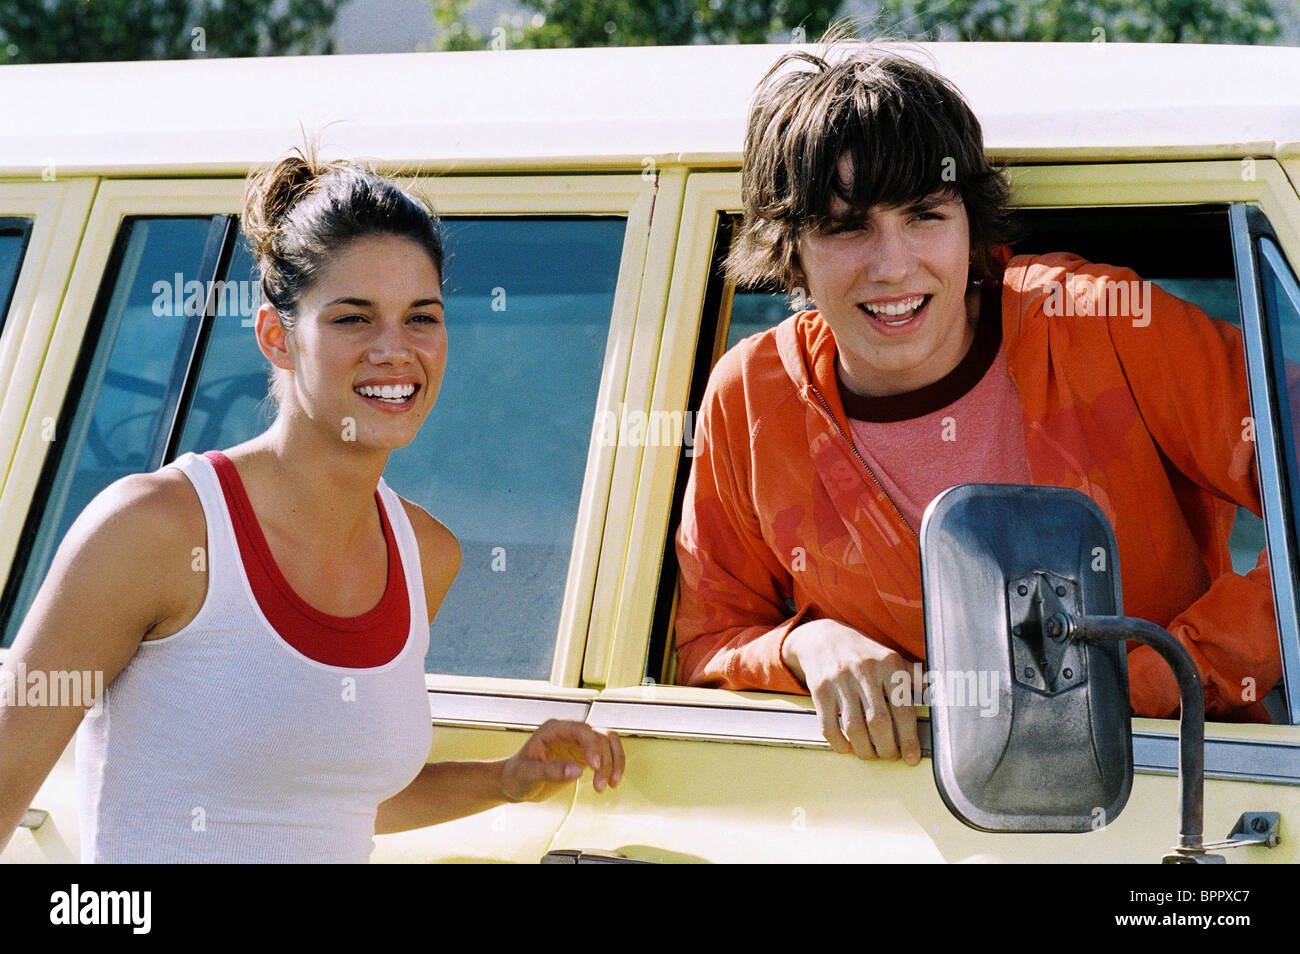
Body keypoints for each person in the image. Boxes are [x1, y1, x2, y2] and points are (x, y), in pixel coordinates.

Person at [0, 148, 623, 862]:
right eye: (354, 319)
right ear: (277, 337)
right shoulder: (153, 530)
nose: (396, 350)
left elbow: (322, 795)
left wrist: (504, 781)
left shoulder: (425, 555)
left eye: (421, 317)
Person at [673, 43, 1283, 764]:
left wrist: (1151, 676)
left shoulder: (1099, 323)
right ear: (790, 249)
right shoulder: (751, 395)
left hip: (1184, 799)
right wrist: (805, 645)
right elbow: (705, 646)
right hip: (894, 824)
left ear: (971, 223)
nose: (893, 265)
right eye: (846, 227)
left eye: (925, 215)